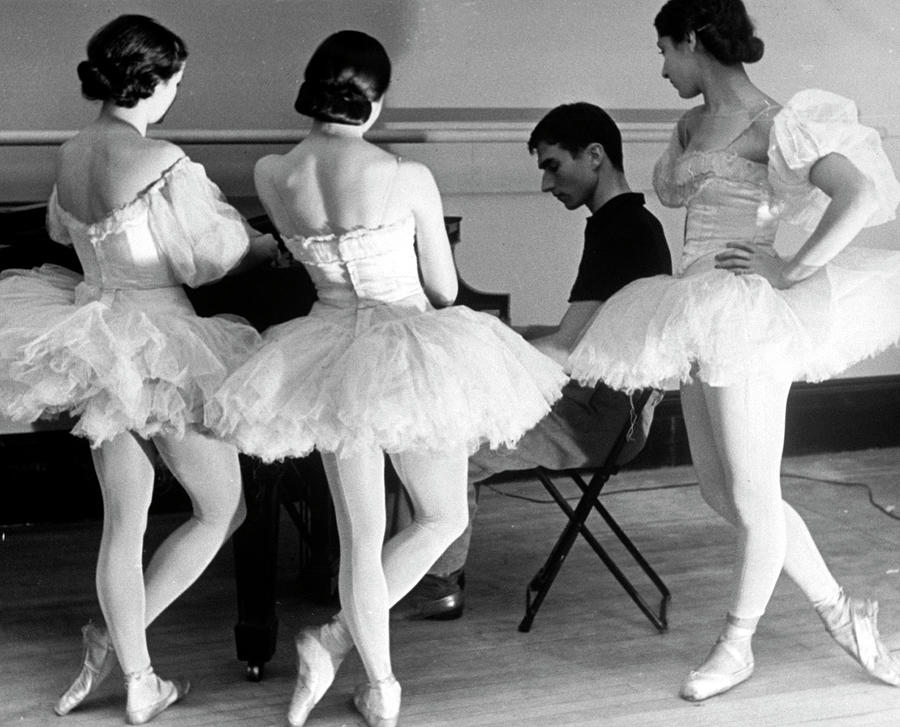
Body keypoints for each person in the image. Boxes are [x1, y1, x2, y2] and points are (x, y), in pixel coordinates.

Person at [204, 30, 566, 727]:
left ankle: (376, 679)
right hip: (404, 348)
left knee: (359, 534)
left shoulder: (272, 172)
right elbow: (442, 285)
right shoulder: (406, 176)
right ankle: (341, 649)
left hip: (327, 350)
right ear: (375, 102)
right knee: (442, 515)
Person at [568, 0, 900, 702]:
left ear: (692, 40)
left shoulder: (777, 123)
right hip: (693, 311)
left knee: (752, 494)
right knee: (726, 491)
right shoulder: (691, 121)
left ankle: (737, 643)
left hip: (745, 317)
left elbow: (859, 192)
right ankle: (844, 613)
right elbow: (676, 194)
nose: (661, 68)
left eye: (664, 50)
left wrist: (792, 267)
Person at [0, 15, 278, 725]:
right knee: (224, 508)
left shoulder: (70, 153)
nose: (175, 97)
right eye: (175, 83)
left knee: (124, 517)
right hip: (159, 341)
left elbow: (65, 232)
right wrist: (264, 249)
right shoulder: (162, 159)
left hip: (93, 333)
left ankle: (134, 666)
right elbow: (207, 258)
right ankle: (128, 655)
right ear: (149, 80)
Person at [390, 102, 673, 621]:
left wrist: (477, 351)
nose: (546, 184)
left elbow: (567, 351)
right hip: (599, 401)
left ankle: (436, 584)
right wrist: (502, 337)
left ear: (594, 156)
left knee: (450, 443)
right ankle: (411, 568)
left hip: (605, 420)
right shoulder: (625, 223)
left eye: (552, 165)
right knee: (451, 408)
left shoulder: (621, 230)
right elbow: (589, 334)